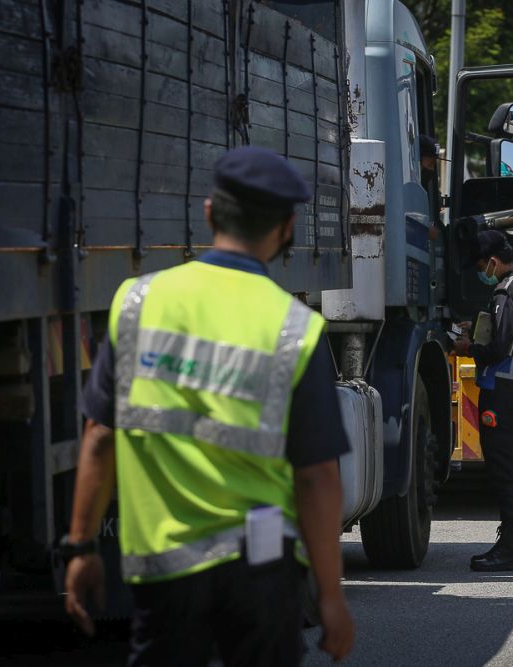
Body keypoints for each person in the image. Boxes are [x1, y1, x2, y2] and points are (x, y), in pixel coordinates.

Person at [62, 146, 355, 665]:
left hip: (164, 566)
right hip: (261, 566)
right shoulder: (295, 328)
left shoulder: (136, 303)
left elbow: (101, 436)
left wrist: (82, 547)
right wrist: (330, 595)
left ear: (209, 213)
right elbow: (317, 476)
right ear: (287, 228)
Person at [454, 230, 513, 572]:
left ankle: (510, 549)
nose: (482, 272)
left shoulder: (506, 292)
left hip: (501, 392)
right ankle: (511, 544)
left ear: (493, 261)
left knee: (506, 472)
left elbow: (499, 346)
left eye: (482, 266)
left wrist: (469, 348)